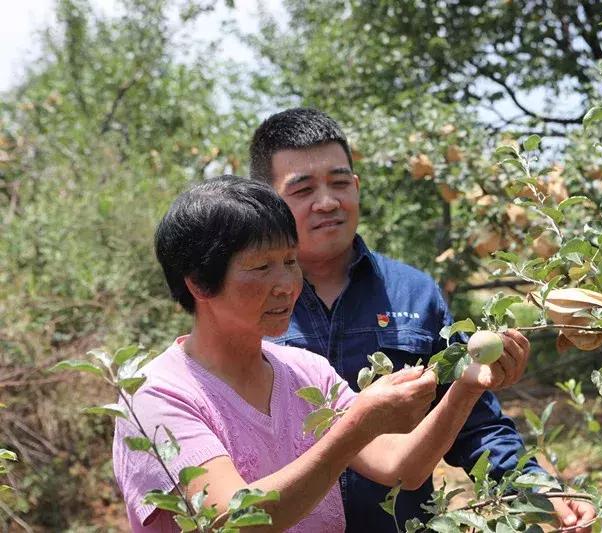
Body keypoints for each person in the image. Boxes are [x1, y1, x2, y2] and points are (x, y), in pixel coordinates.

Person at [112, 176, 531, 532]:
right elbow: (233, 518)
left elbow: (401, 467)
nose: (286, 284)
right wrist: (355, 428)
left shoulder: (305, 372)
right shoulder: (156, 395)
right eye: (261, 268)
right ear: (199, 284)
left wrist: (466, 387)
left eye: (290, 262)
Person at [249, 108, 596, 531]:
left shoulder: (413, 293)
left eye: (340, 183)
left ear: (356, 188)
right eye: (302, 189)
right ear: (266, 203)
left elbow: (475, 425)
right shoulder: (246, 304)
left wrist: (533, 485)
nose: (327, 202)